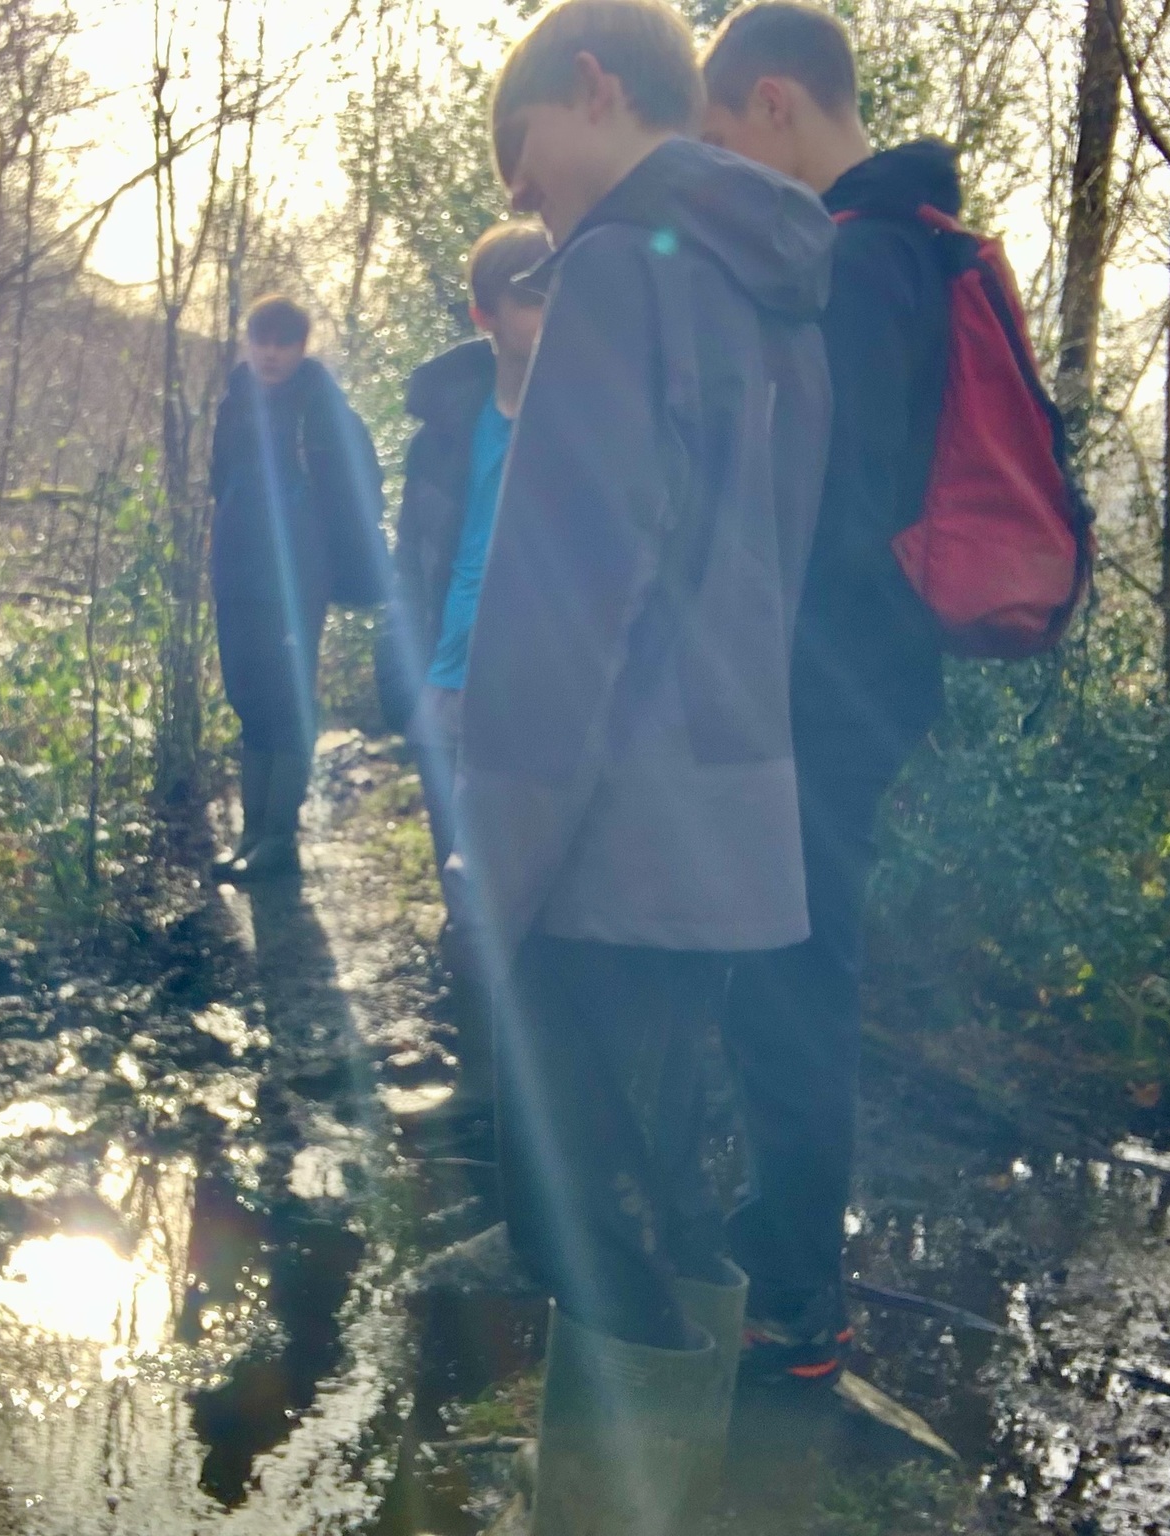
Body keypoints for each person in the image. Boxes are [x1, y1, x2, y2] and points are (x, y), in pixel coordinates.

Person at [453, 1, 834, 1526]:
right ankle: (661, 1492)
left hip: (610, 830)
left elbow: (563, 605)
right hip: (727, 826)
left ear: (594, 86)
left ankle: (607, 1507)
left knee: (571, 1217)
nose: (530, 207)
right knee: (663, 1194)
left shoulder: (623, 270)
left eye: (524, 163)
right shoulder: (779, 274)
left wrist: (493, 866)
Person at [700, 1, 955, 1388]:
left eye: (725, 138)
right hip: (866, 680)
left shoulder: (855, 263)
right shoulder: (907, 244)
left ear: (775, 104)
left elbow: (832, 513)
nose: (728, 170)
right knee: (789, 981)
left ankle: (792, 1302)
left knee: (790, 990)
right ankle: (785, 1271)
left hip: (827, 687)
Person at [390, 220, 551, 1141]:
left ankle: (550, 1102)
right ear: (484, 314)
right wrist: (406, 673)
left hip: (538, 692)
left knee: (540, 894)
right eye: (530, 297)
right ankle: (482, 1083)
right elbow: (412, 558)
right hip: (449, 685)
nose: (550, 314)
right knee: (465, 897)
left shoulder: (590, 419)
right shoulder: (447, 431)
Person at [208, 296, 384, 883]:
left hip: (296, 580)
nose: (271, 353)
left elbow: (364, 488)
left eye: (283, 342)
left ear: (302, 347)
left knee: (286, 701)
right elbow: (220, 484)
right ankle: (251, 834)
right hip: (237, 574)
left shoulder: (322, 410)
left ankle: (278, 840)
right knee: (248, 698)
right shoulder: (235, 402)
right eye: (262, 340)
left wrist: (328, 553)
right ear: (248, 341)